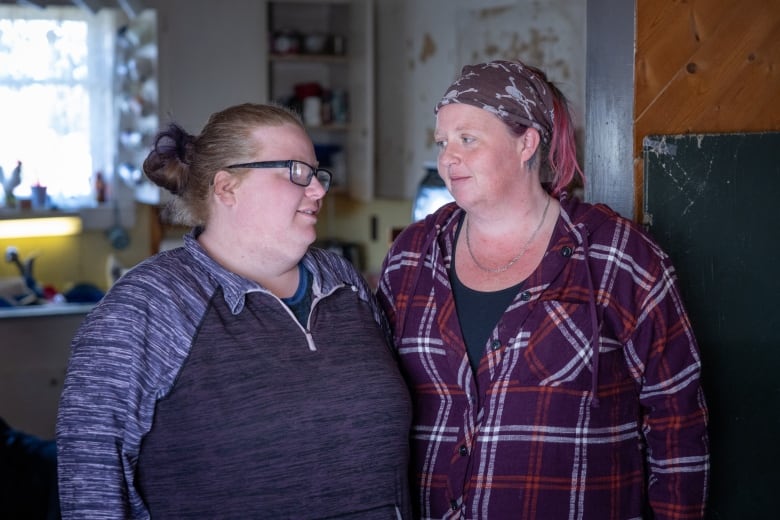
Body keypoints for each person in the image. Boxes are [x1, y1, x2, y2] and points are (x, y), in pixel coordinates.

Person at [377, 60, 709, 519]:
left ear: (526, 143)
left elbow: (677, 417)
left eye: (467, 139)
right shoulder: (412, 254)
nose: (448, 158)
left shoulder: (618, 256)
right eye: (442, 142)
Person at [57, 103, 412, 519]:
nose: (317, 189)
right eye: (296, 171)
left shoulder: (343, 282)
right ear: (226, 188)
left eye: (317, 174)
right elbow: (92, 487)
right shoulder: (146, 307)